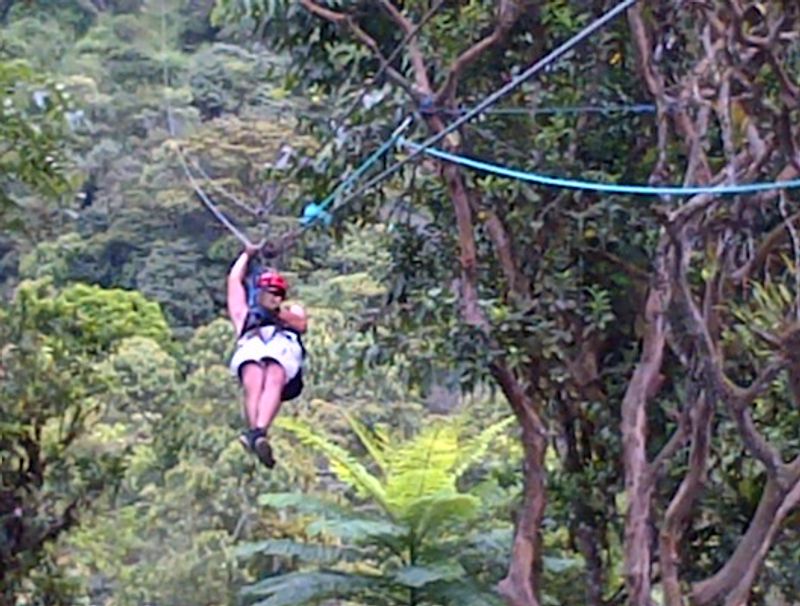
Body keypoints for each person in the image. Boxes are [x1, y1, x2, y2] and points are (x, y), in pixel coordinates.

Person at [226, 244, 308, 468]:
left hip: (280, 345)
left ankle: (259, 431)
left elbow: (301, 323)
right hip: (253, 342)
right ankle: (257, 433)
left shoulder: (291, 312)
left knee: (274, 371)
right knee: (253, 375)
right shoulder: (244, 316)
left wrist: (276, 309)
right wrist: (246, 255)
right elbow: (234, 282)